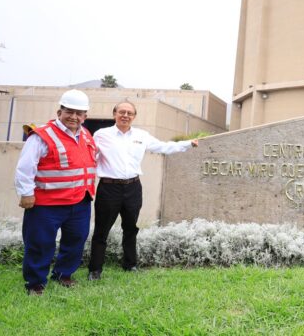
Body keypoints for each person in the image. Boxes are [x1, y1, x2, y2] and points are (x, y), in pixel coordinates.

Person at [87, 101, 199, 280]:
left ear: (134, 116)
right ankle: (95, 270)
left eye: (129, 113)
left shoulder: (141, 135)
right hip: (109, 188)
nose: (125, 115)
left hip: (133, 187)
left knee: (130, 228)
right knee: (102, 230)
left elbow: (163, 147)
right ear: (114, 113)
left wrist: (187, 144)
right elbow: (90, 156)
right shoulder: (101, 135)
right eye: (121, 112)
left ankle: (130, 264)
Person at [14, 89, 96, 295]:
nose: (74, 117)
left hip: (80, 201)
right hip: (46, 203)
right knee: (40, 244)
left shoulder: (85, 134)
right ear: (60, 111)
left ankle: (63, 274)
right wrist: (26, 193)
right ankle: (35, 283)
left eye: (79, 113)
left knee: (76, 240)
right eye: (69, 111)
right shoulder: (42, 135)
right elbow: (25, 167)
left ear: (85, 116)